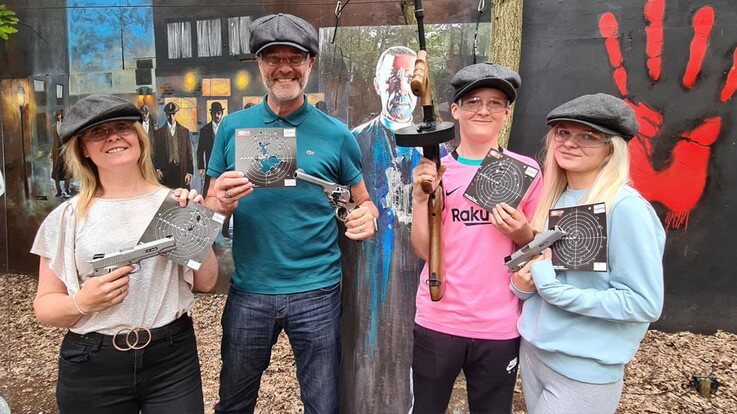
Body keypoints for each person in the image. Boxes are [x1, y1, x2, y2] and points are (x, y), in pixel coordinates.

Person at [204, 13, 378, 414]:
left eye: (295, 58)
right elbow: (208, 203)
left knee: (322, 403)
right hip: (250, 288)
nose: (284, 67)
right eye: (272, 57)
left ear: (311, 63)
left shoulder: (336, 133)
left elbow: (363, 200)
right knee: (233, 402)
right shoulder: (232, 127)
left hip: (317, 290)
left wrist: (366, 216)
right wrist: (219, 204)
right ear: (259, 65)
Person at [30, 94, 218, 413]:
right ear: (83, 149)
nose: (114, 136)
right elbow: (45, 306)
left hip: (171, 360)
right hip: (93, 366)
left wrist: (195, 222)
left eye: (122, 127)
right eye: (98, 132)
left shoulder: (174, 204)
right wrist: (82, 302)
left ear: (140, 139)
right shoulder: (67, 217)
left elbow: (207, 282)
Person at [512, 93, 665, 414]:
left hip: (584, 373)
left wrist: (551, 288)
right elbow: (553, 277)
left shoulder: (626, 209)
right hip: (535, 355)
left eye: (588, 136)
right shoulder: (556, 198)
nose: (569, 143)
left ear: (612, 148)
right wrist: (524, 288)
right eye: (563, 133)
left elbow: (642, 303)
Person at [409, 63, 543, 413]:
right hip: (439, 318)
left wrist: (523, 233)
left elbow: (537, 251)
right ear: (455, 110)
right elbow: (424, 250)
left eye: (495, 103)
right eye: (473, 101)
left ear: (506, 113)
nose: (484, 110)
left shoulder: (527, 172)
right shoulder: (435, 170)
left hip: (499, 324)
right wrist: (421, 197)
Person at [341, 45, 422, 411]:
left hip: (417, 281)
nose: (399, 89)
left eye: (407, 80)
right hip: (364, 279)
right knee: (363, 362)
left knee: (413, 363)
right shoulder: (352, 143)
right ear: (377, 85)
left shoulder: (438, 148)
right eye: (392, 79)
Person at [154, 102, 193, 189]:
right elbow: (155, 153)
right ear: (166, 115)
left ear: (176, 114)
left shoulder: (184, 131)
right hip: (165, 172)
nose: (171, 117)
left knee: (183, 198)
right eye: (169, 114)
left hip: (181, 171)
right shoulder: (159, 133)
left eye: (173, 114)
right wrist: (157, 169)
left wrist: (189, 172)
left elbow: (189, 153)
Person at [197, 101, 224, 197]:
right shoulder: (204, 130)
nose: (217, 116)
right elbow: (200, 150)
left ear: (222, 113)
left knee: (225, 191)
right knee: (208, 191)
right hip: (210, 166)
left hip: (225, 167)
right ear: (211, 114)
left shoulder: (227, 128)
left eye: (219, 113)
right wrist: (200, 167)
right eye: (214, 113)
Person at [50, 109, 72, 198]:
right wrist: (51, 152)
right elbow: (53, 141)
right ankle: (59, 191)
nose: (59, 117)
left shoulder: (67, 126)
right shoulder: (53, 127)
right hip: (56, 152)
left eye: (60, 115)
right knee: (56, 172)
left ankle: (67, 190)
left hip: (65, 151)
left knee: (67, 170)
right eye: (58, 115)